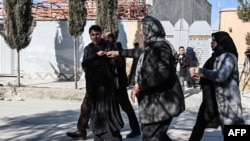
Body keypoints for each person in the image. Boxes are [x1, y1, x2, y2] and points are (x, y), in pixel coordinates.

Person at [107, 15, 185, 141]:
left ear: (151, 30)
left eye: (144, 30)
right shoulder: (152, 45)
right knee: (156, 135)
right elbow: (138, 52)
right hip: (156, 104)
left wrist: (140, 85)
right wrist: (119, 53)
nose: (142, 33)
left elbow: (162, 74)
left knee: (150, 135)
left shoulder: (162, 47)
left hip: (163, 103)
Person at [67, 25, 124, 141]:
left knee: (108, 111)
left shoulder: (109, 45)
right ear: (90, 36)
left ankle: (113, 133)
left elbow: (119, 62)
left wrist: (113, 58)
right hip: (92, 85)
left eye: (97, 34)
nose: (95, 37)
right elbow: (84, 64)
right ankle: (81, 131)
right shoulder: (88, 49)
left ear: (101, 34)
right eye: (92, 35)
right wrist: (95, 59)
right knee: (85, 108)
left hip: (107, 86)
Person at [189, 31, 245, 141]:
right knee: (198, 127)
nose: (211, 43)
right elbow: (215, 76)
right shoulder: (216, 56)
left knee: (234, 132)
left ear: (222, 42)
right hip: (211, 100)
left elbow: (220, 76)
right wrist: (202, 78)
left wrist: (199, 71)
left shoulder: (228, 57)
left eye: (214, 40)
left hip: (228, 102)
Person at [103, 32, 141, 138]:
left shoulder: (115, 47)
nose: (103, 39)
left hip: (118, 84)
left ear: (110, 38)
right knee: (112, 106)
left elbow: (118, 63)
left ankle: (135, 129)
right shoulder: (112, 47)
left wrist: (108, 58)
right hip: (114, 83)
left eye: (105, 38)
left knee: (126, 107)